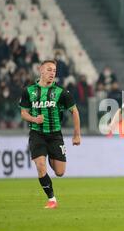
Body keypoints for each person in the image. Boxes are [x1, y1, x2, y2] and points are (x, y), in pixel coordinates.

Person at [19, 60, 81, 209]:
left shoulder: (61, 92)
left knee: (60, 172)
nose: (52, 73)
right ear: (41, 70)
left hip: (55, 135)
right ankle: (52, 199)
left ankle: (52, 159)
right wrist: (35, 119)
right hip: (37, 134)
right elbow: (23, 113)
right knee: (41, 166)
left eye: (54, 70)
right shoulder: (29, 91)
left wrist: (76, 134)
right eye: (49, 70)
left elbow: (75, 111)